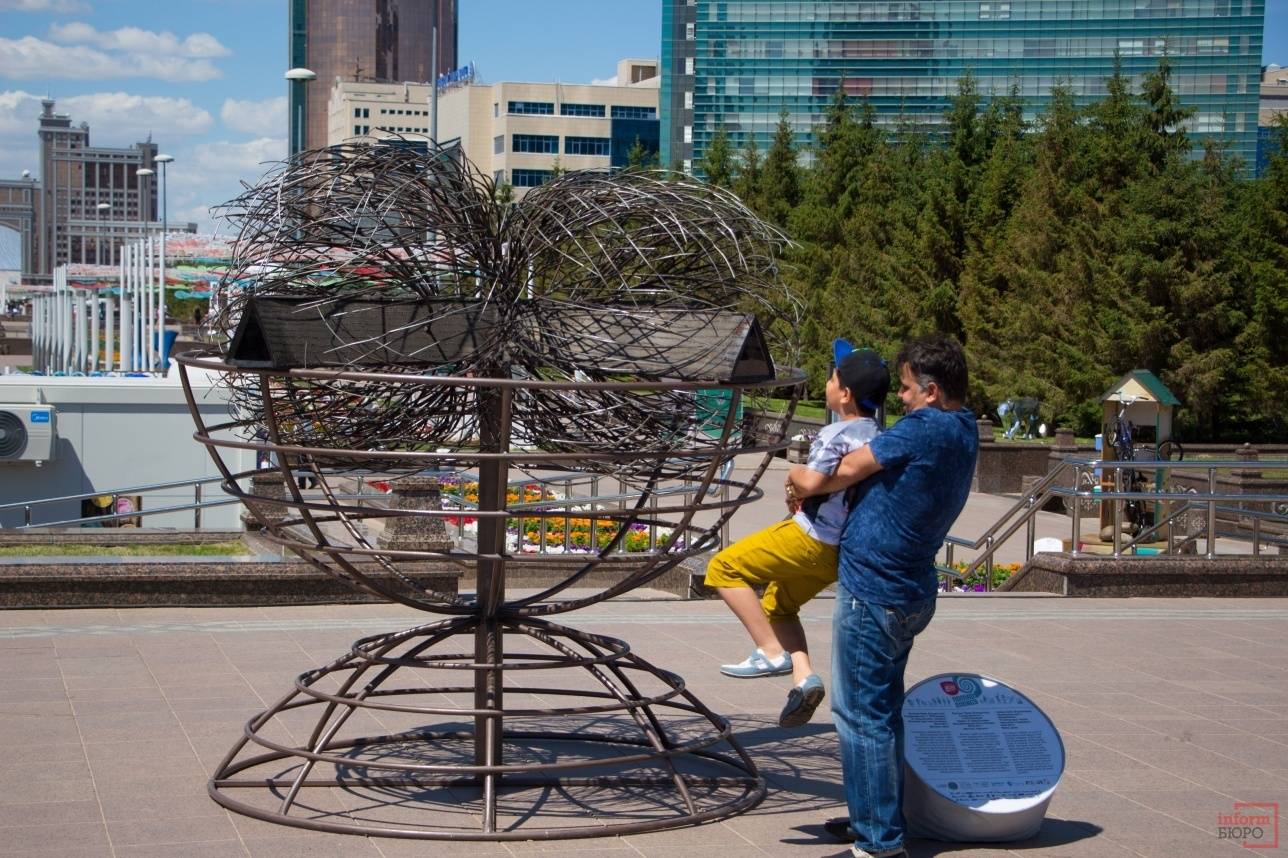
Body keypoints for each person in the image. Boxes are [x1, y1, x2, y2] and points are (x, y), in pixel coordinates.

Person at [789, 334, 978, 858]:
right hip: (908, 586)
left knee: (860, 715)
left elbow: (847, 468)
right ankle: (872, 817)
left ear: (933, 391)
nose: (902, 398)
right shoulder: (964, 427)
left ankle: (878, 842)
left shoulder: (928, 426)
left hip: (876, 587)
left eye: (908, 388)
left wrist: (799, 481)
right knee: (883, 709)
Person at [705, 340, 890, 728]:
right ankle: (804, 679)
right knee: (778, 605)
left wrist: (792, 476)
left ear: (845, 393)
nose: (827, 380)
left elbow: (812, 480)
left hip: (810, 538)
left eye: (832, 376)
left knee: (724, 568)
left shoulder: (837, 433)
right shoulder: (878, 435)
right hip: (838, 552)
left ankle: (771, 651)